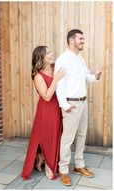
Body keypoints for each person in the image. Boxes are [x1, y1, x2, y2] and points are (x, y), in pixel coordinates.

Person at [55, 29, 101, 186]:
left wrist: (95, 77)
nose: (83, 41)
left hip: (82, 103)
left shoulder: (80, 59)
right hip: (71, 104)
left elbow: (86, 76)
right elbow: (59, 84)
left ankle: (79, 166)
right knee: (67, 138)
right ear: (71, 40)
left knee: (81, 136)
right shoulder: (63, 59)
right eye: (80, 38)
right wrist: (64, 105)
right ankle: (63, 170)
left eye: (83, 38)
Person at [21, 46, 65, 180]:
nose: (51, 54)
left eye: (51, 51)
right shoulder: (38, 76)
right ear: (41, 58)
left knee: (57, 135)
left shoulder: (56, 68)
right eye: (48, 53)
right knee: (48, 136)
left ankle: (42, 157)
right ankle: (49, 166)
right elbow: (46, 96)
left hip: (58, 107)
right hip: (46, 110)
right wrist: (56, 79)